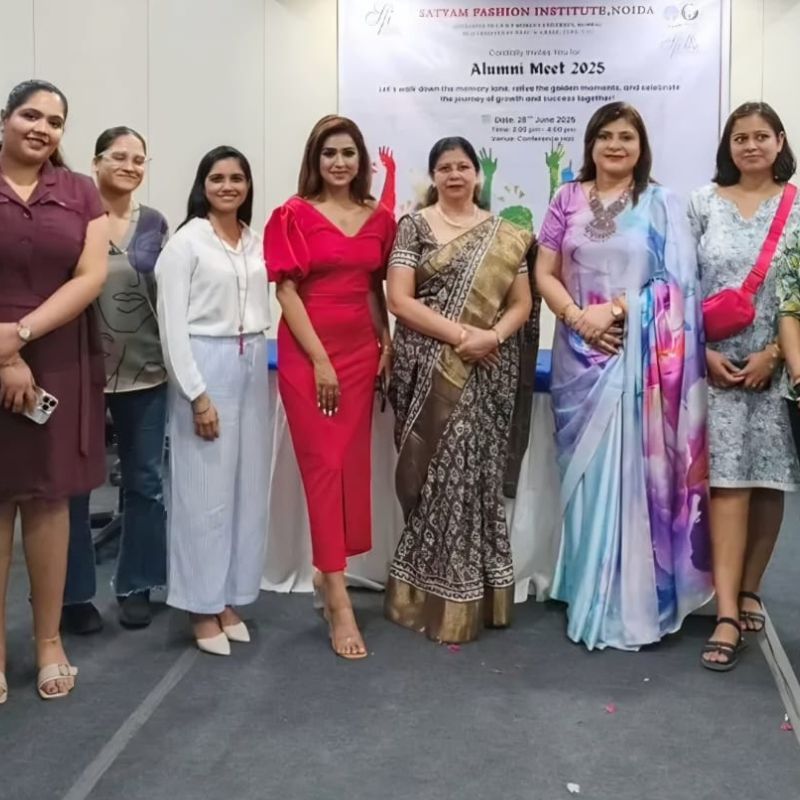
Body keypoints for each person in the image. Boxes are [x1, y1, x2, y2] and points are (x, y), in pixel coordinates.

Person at [535, 101, 712, 651]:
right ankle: (584, 587)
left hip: (637, 360)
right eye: (606, 136)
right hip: (576, 358)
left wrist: (614, 311)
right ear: (591, 144)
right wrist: (577, 319)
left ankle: (625, 599)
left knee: (632, 476)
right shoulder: (566, 198)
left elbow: (677, 286)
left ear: (641, 147)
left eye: (626, 137)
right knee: (586, 478)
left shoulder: (660, 204)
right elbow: (544, 272)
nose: (615, 145)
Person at [385, 136, 534, 644]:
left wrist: (492, 336)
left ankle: (467, 593)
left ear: (477, 174)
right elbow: (399, 300)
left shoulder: (504, 233)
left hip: (483, 367)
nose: (454, 175)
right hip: (429, 364)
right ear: (433, 176)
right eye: (445, 167)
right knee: (435, 476)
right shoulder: (415, 226)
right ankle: (427, 591)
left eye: (463, 166)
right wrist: (462, 335)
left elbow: (521, 302)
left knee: (470, 476)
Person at [265, 115, 396, 659]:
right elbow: (286, 293)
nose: (339, 163)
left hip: (361, 352)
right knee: (323, 468)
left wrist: (384, 339)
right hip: (308, 354)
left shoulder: (379, 217)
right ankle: (338, 599)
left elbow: (372, 285)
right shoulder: (292, 215)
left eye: (348, 153)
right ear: (314, 160)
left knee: (349, 467)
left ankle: (327, 573)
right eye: (329, 154)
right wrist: (320, 360)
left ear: (361, 160)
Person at [0, 80, 108, 701]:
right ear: (6, 118)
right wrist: (5, 354)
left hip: (59, 355)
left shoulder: (80, 192)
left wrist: (19, 335)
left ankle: (48, 642)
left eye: (55, 121)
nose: (42, 128)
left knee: (48, 501)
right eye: (30, 115)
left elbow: (90, 276)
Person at [689, 102, 800, 671]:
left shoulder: (798, 207)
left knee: (768, 482)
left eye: (761, 136)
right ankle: (727, 611)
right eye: (740, 137)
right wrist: (700, 351)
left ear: (780, 141)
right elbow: (678, 283)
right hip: (713, 369)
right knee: (727, 485)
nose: (751, 146)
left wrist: (776, 354)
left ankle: (751, 586)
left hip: (777, 370)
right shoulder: (701, 203)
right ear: (727, 146)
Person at [156, 146, 271, 656]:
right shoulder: (185, 243)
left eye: (237, 178)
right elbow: (171, 329)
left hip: (252, 361)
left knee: (245, 489)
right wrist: (197, 395)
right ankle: (199, 607)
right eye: (218, 178)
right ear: (203, 185)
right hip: (206, 363)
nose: (228, 186)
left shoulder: (253, 239)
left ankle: (227, 596)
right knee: (203, 494)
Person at [62, 126, 169, 635]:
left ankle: (137, 585)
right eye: (119, 156)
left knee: (145, 483)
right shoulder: (73, 217)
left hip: (146, 372)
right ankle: (73, 594)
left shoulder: (155, 223)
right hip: (79, 370)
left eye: (139, 159)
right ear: (96, 161)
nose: (129, 166)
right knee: (75, 486)